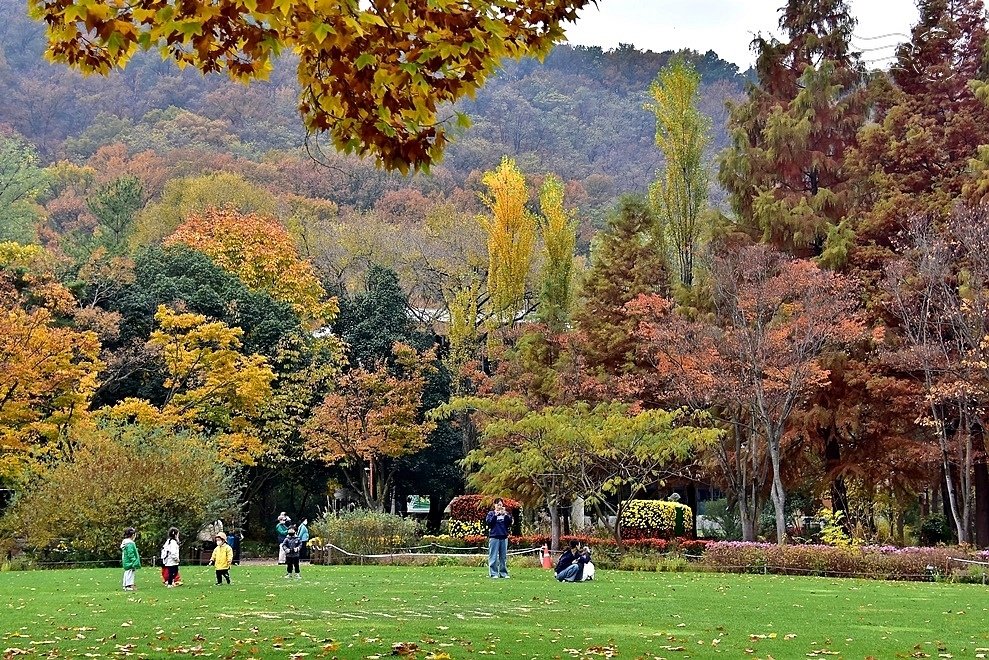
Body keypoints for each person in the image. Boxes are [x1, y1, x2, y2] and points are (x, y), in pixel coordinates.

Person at [484, 498, 513, 579]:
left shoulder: (505, 514)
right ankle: (493, 573)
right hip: (494, 537)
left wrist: (506, 515)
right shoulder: (491, 514)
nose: (499, 506)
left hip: (503, 536)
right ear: (495, 505)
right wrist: (495, 515)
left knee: (503, 557)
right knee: (493, 556)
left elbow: (509, 523)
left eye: (501, 505)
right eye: (498, 505)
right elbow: (489, 523)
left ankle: (503, 573)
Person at [120, 527, 141, 591]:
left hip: (127, 561)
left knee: (127, 572)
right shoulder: (129, 544)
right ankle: (129, 585)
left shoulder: (126, 543)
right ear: (132, 535)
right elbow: (130, 553)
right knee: (130, 572)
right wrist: (134, 560)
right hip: (130, 562)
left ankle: (125, 585)